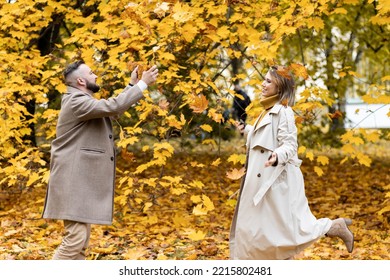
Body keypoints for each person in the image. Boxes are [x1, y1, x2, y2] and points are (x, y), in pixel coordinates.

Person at [229, 65, 354, 260]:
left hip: (275, 183)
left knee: (285, 233)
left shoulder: (284, 112)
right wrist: (246, 129)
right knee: (264, 234)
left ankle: (333, 226)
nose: (263, 84)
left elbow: (290, 145)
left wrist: (277, 155)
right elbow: (266, 134)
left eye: (269, 81)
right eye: (265, 80)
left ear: (280, 86)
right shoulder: (267, 110)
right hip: (262, 181)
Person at [42, 60, 158, 260]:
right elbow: (113, 106)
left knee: (81, 243)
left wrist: (131, 86)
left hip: (78, 180)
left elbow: (112, 110)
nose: (96, 76)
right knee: (75, 240)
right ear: (80, 80)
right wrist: (143, 84)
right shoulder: (75, 101)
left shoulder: (83, 102)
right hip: (72, 181)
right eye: (91, 72)